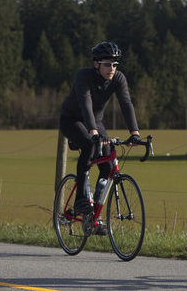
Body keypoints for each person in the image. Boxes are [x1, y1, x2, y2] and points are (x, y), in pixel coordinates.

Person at [59, 42, 141, 234]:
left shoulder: (118, 78)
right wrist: (93, 132)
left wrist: (135, 133)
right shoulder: (83, 77)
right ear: (96, 64)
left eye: (114, 65)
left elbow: (126, 104)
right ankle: (80, 200)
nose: (111, 69)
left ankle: (94, 217)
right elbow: (85, 103)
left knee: (108, 166)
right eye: (107, 64)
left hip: (95, 122)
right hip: (72, 120)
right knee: (89, 145)